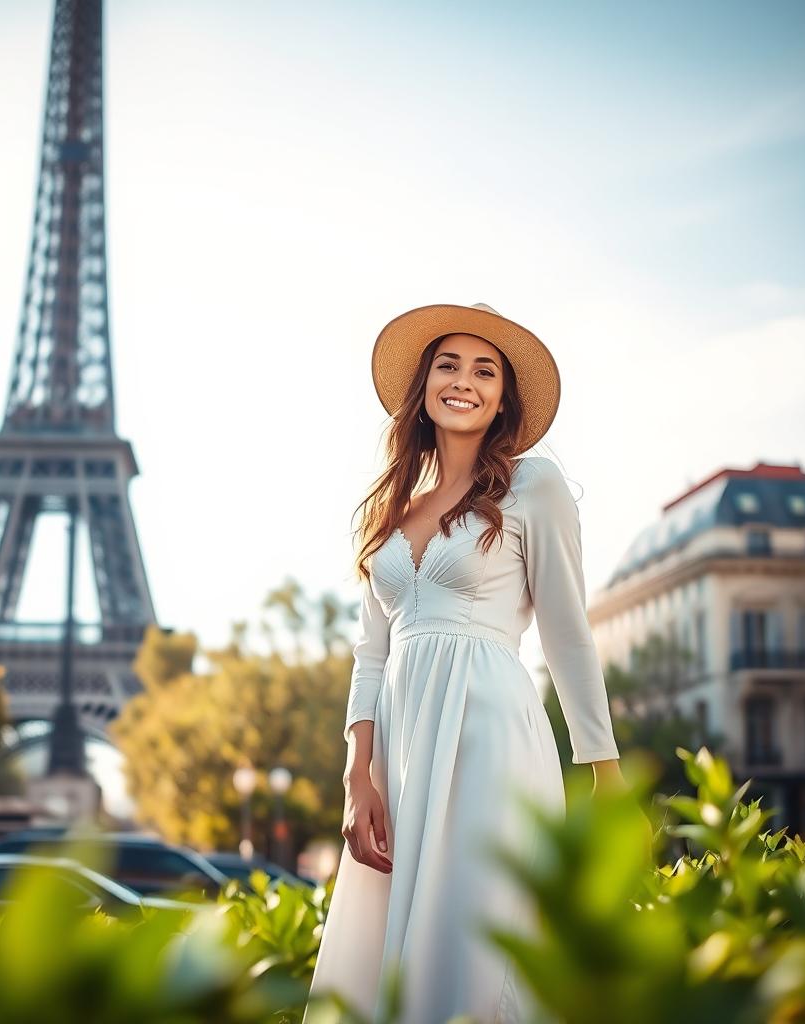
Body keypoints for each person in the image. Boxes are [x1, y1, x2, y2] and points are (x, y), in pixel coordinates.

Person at [304, 303, 646, 1024]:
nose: (464, 381)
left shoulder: (534, 486)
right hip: (399, 741)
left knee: (479, 923)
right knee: (393, 942)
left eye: (484, 370)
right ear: (423, 387)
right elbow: (372, 652)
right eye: (448, 365)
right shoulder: (391, 508)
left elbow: (567, 633)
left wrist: (604, 769)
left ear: (503, 398)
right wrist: (354, 774)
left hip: (489, 726)